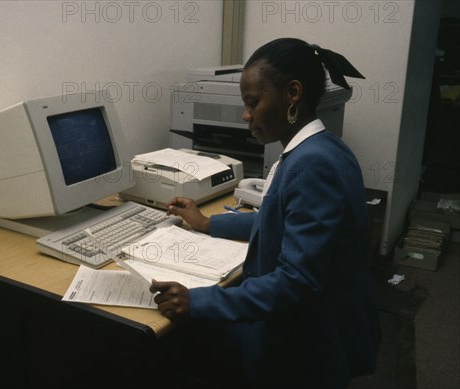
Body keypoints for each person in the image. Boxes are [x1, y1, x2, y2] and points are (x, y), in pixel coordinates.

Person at [150, 38, 381, 388]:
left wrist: (196, 300)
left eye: (252, 103)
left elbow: (296, 281)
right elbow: (281, 221)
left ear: (292, 94)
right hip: (319, 325)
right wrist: (207, 222)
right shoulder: (326, 147)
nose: (245, 115)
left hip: (304, 348)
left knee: (175, 342)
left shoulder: (311, 165)